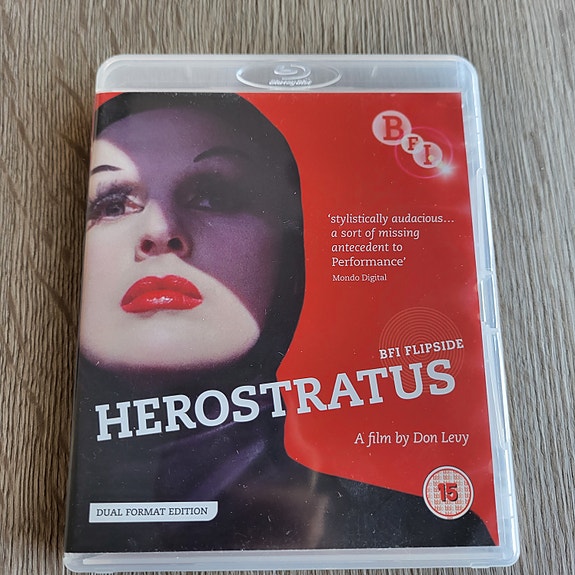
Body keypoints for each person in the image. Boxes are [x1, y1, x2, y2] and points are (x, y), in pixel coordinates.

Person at [66, 93, 493, 554]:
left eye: (212, 195)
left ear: (290, 259)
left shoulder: (432, 535)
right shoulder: (71, 519)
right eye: (112, 205)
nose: (159, 230)